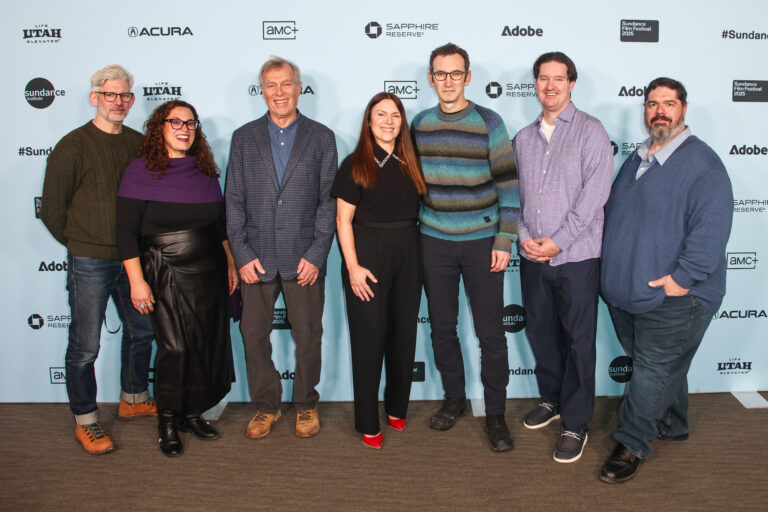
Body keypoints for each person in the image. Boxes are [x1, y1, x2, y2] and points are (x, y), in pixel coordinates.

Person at [600, 77, 733, 483]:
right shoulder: (636, 159)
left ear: (684, 110)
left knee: (653, 370)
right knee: (655, 365)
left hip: (676, 297)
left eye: (669, 103)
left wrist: (683, 279)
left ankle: (633, 442)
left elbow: (711, 232)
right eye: (652, 103)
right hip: (628, 293)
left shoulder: (703, 165)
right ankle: (672, 423)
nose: (660, 110)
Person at [39, 64, 156, 455]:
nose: (118, 102)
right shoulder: (72, 146)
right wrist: (81, 243)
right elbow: (53, 210)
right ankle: (86, 419)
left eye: (124, 96)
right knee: (86, 345)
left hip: (133, 261)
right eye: (110, 95)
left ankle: (134, 398)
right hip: (89, 260)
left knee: (143, 332)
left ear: (132, 100)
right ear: (95, 98)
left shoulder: (139, 144)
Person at [411, 43, 518, 452]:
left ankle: (495, 415)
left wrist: (505, 239)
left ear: (468, 77)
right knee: (442, 328)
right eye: (441, 74)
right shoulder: (419, 124)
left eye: (456, 74)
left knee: (491, 334)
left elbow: (509, 185)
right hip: (434, 240)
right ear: (431, 78)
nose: (448, 81)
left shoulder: (489, 122)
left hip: (482, 244)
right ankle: (454, 398)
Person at [116, 100, 237, 457]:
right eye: (175, 122)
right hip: (163, 270)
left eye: (190, 123)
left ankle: (192, 412)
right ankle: (167, 420)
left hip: (210, 270)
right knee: (176, 347)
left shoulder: (205, 171)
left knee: (204, 344)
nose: (184, 129)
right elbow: (125, 232)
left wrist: (231, 263)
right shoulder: (139, 171)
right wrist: (137, 281)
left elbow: (219, 226)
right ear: (159, 128)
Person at [225, 57, 337, 440]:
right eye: (271, 85)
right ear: (262, 90)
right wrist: (240, 254)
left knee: (308, 336)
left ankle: (306, 403)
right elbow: (234, 200)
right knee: (253, 336)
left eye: (286, 84)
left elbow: (328, 202)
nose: (279, 92)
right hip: (255, 258)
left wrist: (317, 254)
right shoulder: (243, 137)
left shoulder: (322, 137)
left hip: (304, 257)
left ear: (298, 87)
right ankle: (267, 405)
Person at [512, 52, 613, 463]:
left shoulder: (591, 131)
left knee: (578, 341)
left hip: (577, 258)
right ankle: (552, 400)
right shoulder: (522, 138)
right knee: (540, 333)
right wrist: (523, 237)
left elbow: (595, 197)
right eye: (543, 78)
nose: (550, 85)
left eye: (558, 78)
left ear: (572, 83)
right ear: (535, 84)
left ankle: (576, 422)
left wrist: (558, 241)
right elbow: (513, 198)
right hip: (532, 257)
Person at [331, 92, 426, 449]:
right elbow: (343, 221)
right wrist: (353, 267)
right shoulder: (355, 163)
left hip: (408, 252)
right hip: (366, 254)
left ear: (402, 122)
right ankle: (368, 419)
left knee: (404, 334)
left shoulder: (411, 161)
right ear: (369, 123)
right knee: (369, 338)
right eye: (380, 115)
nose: (388, 121)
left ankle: (398, 406)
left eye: (395, 115)